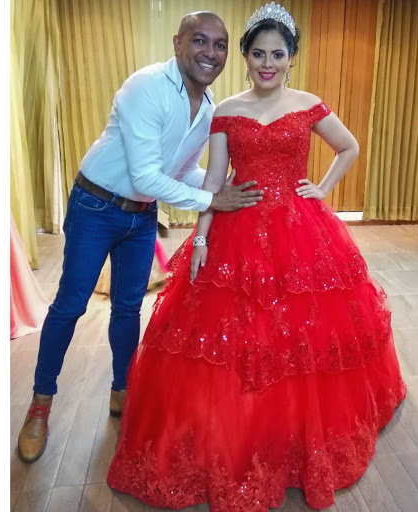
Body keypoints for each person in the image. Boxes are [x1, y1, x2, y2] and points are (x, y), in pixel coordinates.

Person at [107, 3, 406, 510]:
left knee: (303, 335)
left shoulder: (309, 104)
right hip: (238, 225)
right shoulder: (225, 111)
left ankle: (293, 431)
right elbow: (213, 180)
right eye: (259, 54)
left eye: (278, 54)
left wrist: (322, 188)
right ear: (244, 57)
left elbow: (349, 147)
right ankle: (241, 430)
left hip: (299, 230)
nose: (268, 63)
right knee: (228, 335)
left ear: (291, 57)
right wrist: (202, 240)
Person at [17, 11, 266, 464]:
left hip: (141, 215)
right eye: (200, 40)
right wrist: (212, 199)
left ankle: (122, 389)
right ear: (177, 42)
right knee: (71, 305)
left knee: (129, 307)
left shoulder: (209, 108)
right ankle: (40, 405)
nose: (210, 53)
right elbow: (146, 176)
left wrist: (223, 185)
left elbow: (180, 171)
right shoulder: (147, 87)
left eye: (220, 45)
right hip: (96, 206)